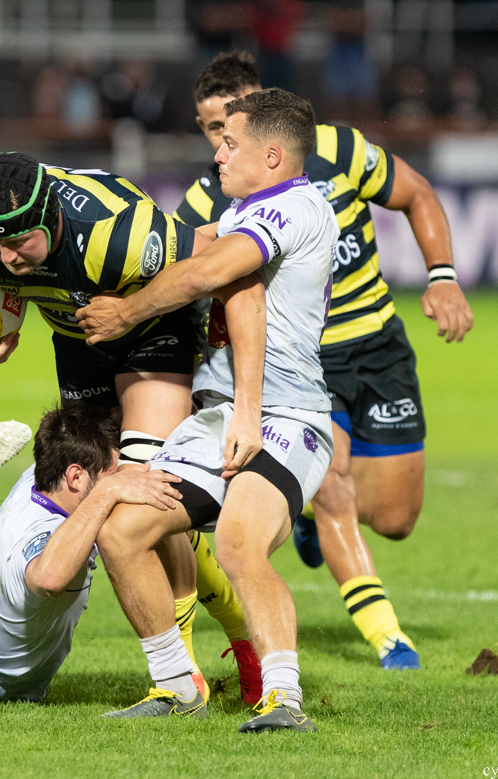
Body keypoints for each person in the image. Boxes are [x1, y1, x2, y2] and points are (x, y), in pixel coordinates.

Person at [0, 151, 262, 703]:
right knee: (103, 495)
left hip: (153, 327)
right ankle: (240, 634)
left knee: (145, 495)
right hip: (77, 339)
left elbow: (224, 264)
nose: (5, 257)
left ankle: (183, 678)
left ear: (51, 216)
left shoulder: (118, 233)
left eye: (20, 242)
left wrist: (244, 396)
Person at [176, 51, 475, 671]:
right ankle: (389, 638)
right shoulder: (209, 200)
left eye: (233, 122)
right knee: (334, 483)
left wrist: (442, 276)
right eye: (212, 128)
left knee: (396, 518)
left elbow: (416, 194)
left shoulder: (338, 151)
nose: (222, 142)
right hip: (299, 369)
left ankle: (305, 503)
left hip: (378, 344)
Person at [79, 88, 339, 731]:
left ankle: (284, 699)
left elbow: (204, 272)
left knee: (236, 541)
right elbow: (177, 246)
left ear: (273, 155)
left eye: (231, 143)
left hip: (286, 417)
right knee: (121, 528)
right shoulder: (248, 212)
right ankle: (175, 686)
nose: (217, 153)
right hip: (217, 416)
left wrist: (126, 312)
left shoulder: (297, 208)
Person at [0, 410, 196, 709]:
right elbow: (48, 578)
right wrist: (108, 491)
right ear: (75, 476)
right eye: (115, 474)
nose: (125, 481)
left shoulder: (40, 477)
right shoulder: (44, 537)